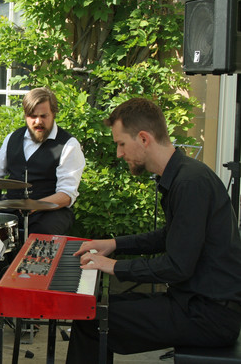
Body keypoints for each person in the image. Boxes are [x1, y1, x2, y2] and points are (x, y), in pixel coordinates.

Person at [66, 98, 241, 363]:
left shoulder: (190, 183)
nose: (119, 153)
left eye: (121, 144)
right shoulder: (181, 175)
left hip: (209, 315)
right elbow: (168, 237)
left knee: (91, 319)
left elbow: (177, 266)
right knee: (96, 309)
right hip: (193, 303)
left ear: (144, 138)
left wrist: (112, 266)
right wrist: (113, 244)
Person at [0, 86, 85, 237]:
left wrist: (35, 206)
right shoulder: (13, 138)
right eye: (33, 116)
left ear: (53, 114)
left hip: (50, 212)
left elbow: (66, 195)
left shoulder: (68, 145)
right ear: (26, 116)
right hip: (12, 207)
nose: (38, 121)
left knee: (41, 233)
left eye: (44, 116)